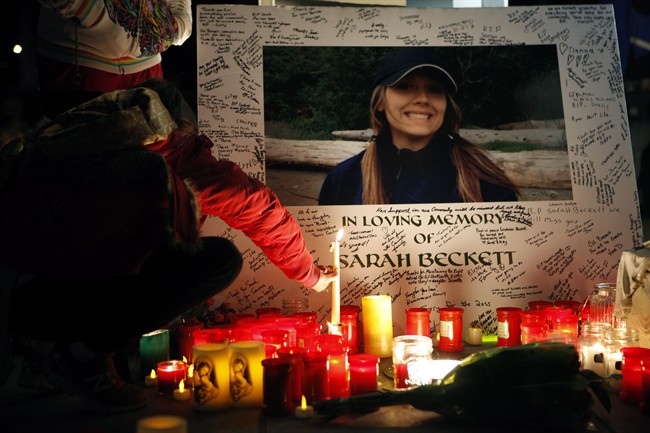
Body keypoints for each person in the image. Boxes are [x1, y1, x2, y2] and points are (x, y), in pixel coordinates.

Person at [0, 79, 337, 413]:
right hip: (70, 301)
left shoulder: (68, 139)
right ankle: (84, 356)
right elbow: (259, 207)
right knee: (218, 261)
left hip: (21, 301)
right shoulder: (176, 158)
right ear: (181, 126)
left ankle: (44, 356)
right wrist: (311, 276)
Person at [318, 47, 519, 205]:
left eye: (434, 89)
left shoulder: (484, 178)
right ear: (380, 102)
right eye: (405, 86)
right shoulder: (344, 179)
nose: (423, 99)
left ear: (446, 104)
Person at [36, 0, 193, 118]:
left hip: (146, 68)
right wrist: (91, 12)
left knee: (149, 152)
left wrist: (179, 23)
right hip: (80, 65)